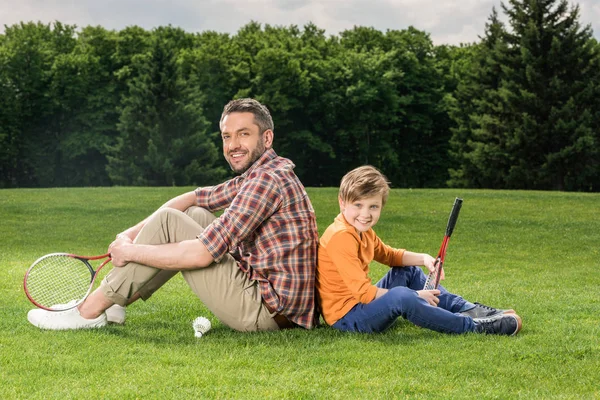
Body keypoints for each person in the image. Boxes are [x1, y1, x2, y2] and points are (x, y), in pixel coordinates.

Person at [28, 98, 319, 332]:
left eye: (244, 134)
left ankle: (87, 312)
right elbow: (194, 197)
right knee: (191, 212)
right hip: (272, 299)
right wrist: (128, 234)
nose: (232, 146)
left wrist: (131, 251)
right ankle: (116, 302)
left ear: (266, 138)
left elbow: (202, 255)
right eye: (227, 136)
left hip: (267, 312)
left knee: (171, 222)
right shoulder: (264, 171)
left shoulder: (265, 181)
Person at [316, 165, 522, 335]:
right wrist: (416, 295)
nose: (365, 214)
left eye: (373, 207)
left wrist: (424, 259)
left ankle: (468, 309)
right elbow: (363, 294)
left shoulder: (362, 231)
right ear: (342, 203)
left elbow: (390, 256)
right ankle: (472, 326)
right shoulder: (341, 236)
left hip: (360, 306)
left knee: (407, 270)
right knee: (402, 297)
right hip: (348, 318)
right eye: (358, 205)